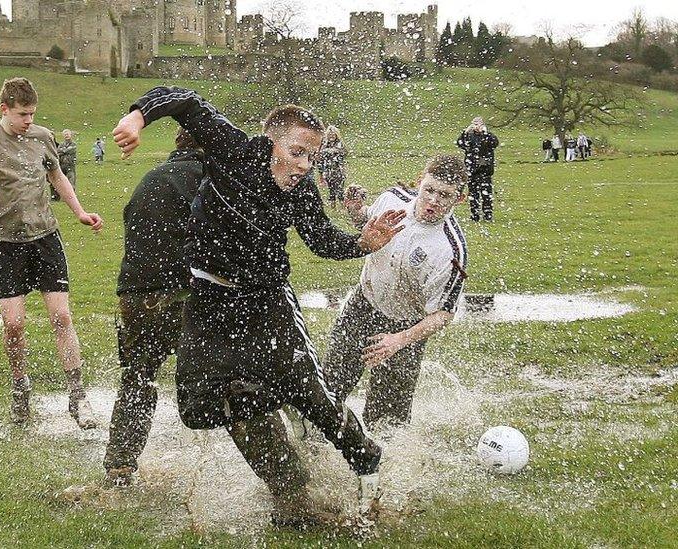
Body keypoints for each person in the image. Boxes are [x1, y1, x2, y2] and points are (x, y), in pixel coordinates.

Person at [113, 87, 406, 527]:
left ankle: (365, 457)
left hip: (267, 299)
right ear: (270, 143)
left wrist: (362, 242)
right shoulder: (234, 150)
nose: (305, 166)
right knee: (200, 405)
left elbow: (322, 239)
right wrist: (137, 118)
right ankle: (288, 471)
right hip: (210, 298)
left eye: (313, 156)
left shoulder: (302, 190)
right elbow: (184, 100)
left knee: (309, 393)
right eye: (297, 153)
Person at [0, 77, 104, 429]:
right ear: (4, 109)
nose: (28, 121)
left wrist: (80, 212)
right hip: (4, 243)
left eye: (33, 114)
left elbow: (59, 178)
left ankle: (77, 397)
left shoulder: (42, 137)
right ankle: (20, 387)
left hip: (45, 237)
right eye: (22, 114)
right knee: (15, 325)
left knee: (61, 318)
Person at [325, 155, 468, 430]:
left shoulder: (450, 250)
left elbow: (443, 314)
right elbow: (366, 227)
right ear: (419, 182)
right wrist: (356, 211)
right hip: (362, 306)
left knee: (386, 421)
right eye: (430, 190)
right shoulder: (392, 198)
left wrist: (399, 340)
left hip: (406, 328)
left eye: (445, 195)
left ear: (458, 199)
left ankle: (381, 467)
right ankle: (314, 446)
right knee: (329, 386)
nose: (434, 201)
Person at [103, 129, 206, 486]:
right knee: (232, 372)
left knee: (137, 376)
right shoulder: (210, 180)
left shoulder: (152, 177)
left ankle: (119, 464)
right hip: (184, 295)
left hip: (135, 295)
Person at [456, 117, 499, 222]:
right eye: (475, 124)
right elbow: (460, 143)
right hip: (472, 170)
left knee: (486, 194)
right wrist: (465, 132)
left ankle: (488, 214)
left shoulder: (489, 136)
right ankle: (474, 215)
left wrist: (485, 133)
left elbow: (494, 143)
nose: (477, 126)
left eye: (479, 124)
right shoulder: (469, 136)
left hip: (485, 170)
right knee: (473, 193)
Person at [317, 125, 347, 208]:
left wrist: (333, 151)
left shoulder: (340, 144)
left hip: (338, 170)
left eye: (333, 135)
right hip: (328, 171)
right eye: (330, 135)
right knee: (331, 190)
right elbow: (320, 159)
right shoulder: (324, 145)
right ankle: (333, 208)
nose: (331, 137)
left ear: (336, 135)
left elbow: (343, 154)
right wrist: (321, 173)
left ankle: (343, 208)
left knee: (340, 190)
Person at [53, 129, 78, 201]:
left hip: (70, 165)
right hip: (61, 165)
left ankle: (71, 198)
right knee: (59, 181)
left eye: (68, 134)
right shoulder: (61, 144)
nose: (66, 135)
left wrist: (63, 151)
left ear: (71, 135)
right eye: (65, 134)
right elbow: (58, 152)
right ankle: (56, 197)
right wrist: (63, 151)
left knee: (71, 181)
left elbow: (69, 150)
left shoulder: (73, 144)